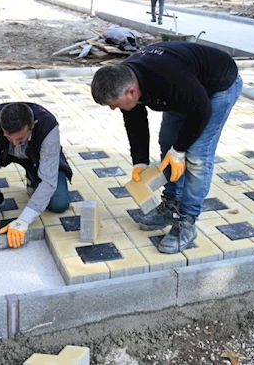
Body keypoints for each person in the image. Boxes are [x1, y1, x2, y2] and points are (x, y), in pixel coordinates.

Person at [90, 42, 242, 254]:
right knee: (167, 144)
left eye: (114, 104)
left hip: (218, 86)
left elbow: (201, 110)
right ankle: (171, 203)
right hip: (187, 89)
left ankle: (186, 220)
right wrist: (140, 162)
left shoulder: (169, 78)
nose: (114, 108)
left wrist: (180, 150)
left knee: (197, 155)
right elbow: (135, 123)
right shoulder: (126, 77)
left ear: (132, 91)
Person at [0, 102, 72, 248]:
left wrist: (23, 221)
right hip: (4, 153)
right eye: (9, 137)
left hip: (37, 160)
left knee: (59, 203)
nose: (15, 143)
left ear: (33, 125)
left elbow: (48, 182)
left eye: (20, 139)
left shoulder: (48, 129)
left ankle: (33, 181)